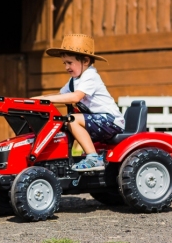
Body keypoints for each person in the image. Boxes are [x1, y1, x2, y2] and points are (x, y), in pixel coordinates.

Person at [32, 34, 125, 172]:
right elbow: (61, 96)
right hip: (98, 121)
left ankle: (94, 158)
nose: (66, 67)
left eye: (69, 62)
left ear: (85, 60)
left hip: (111, 121)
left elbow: (75, 97)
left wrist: (43, 100)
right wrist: (35, 100)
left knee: (72, 120)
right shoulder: (75, 80)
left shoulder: (90, 75)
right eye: (64, 63)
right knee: (62, 122)